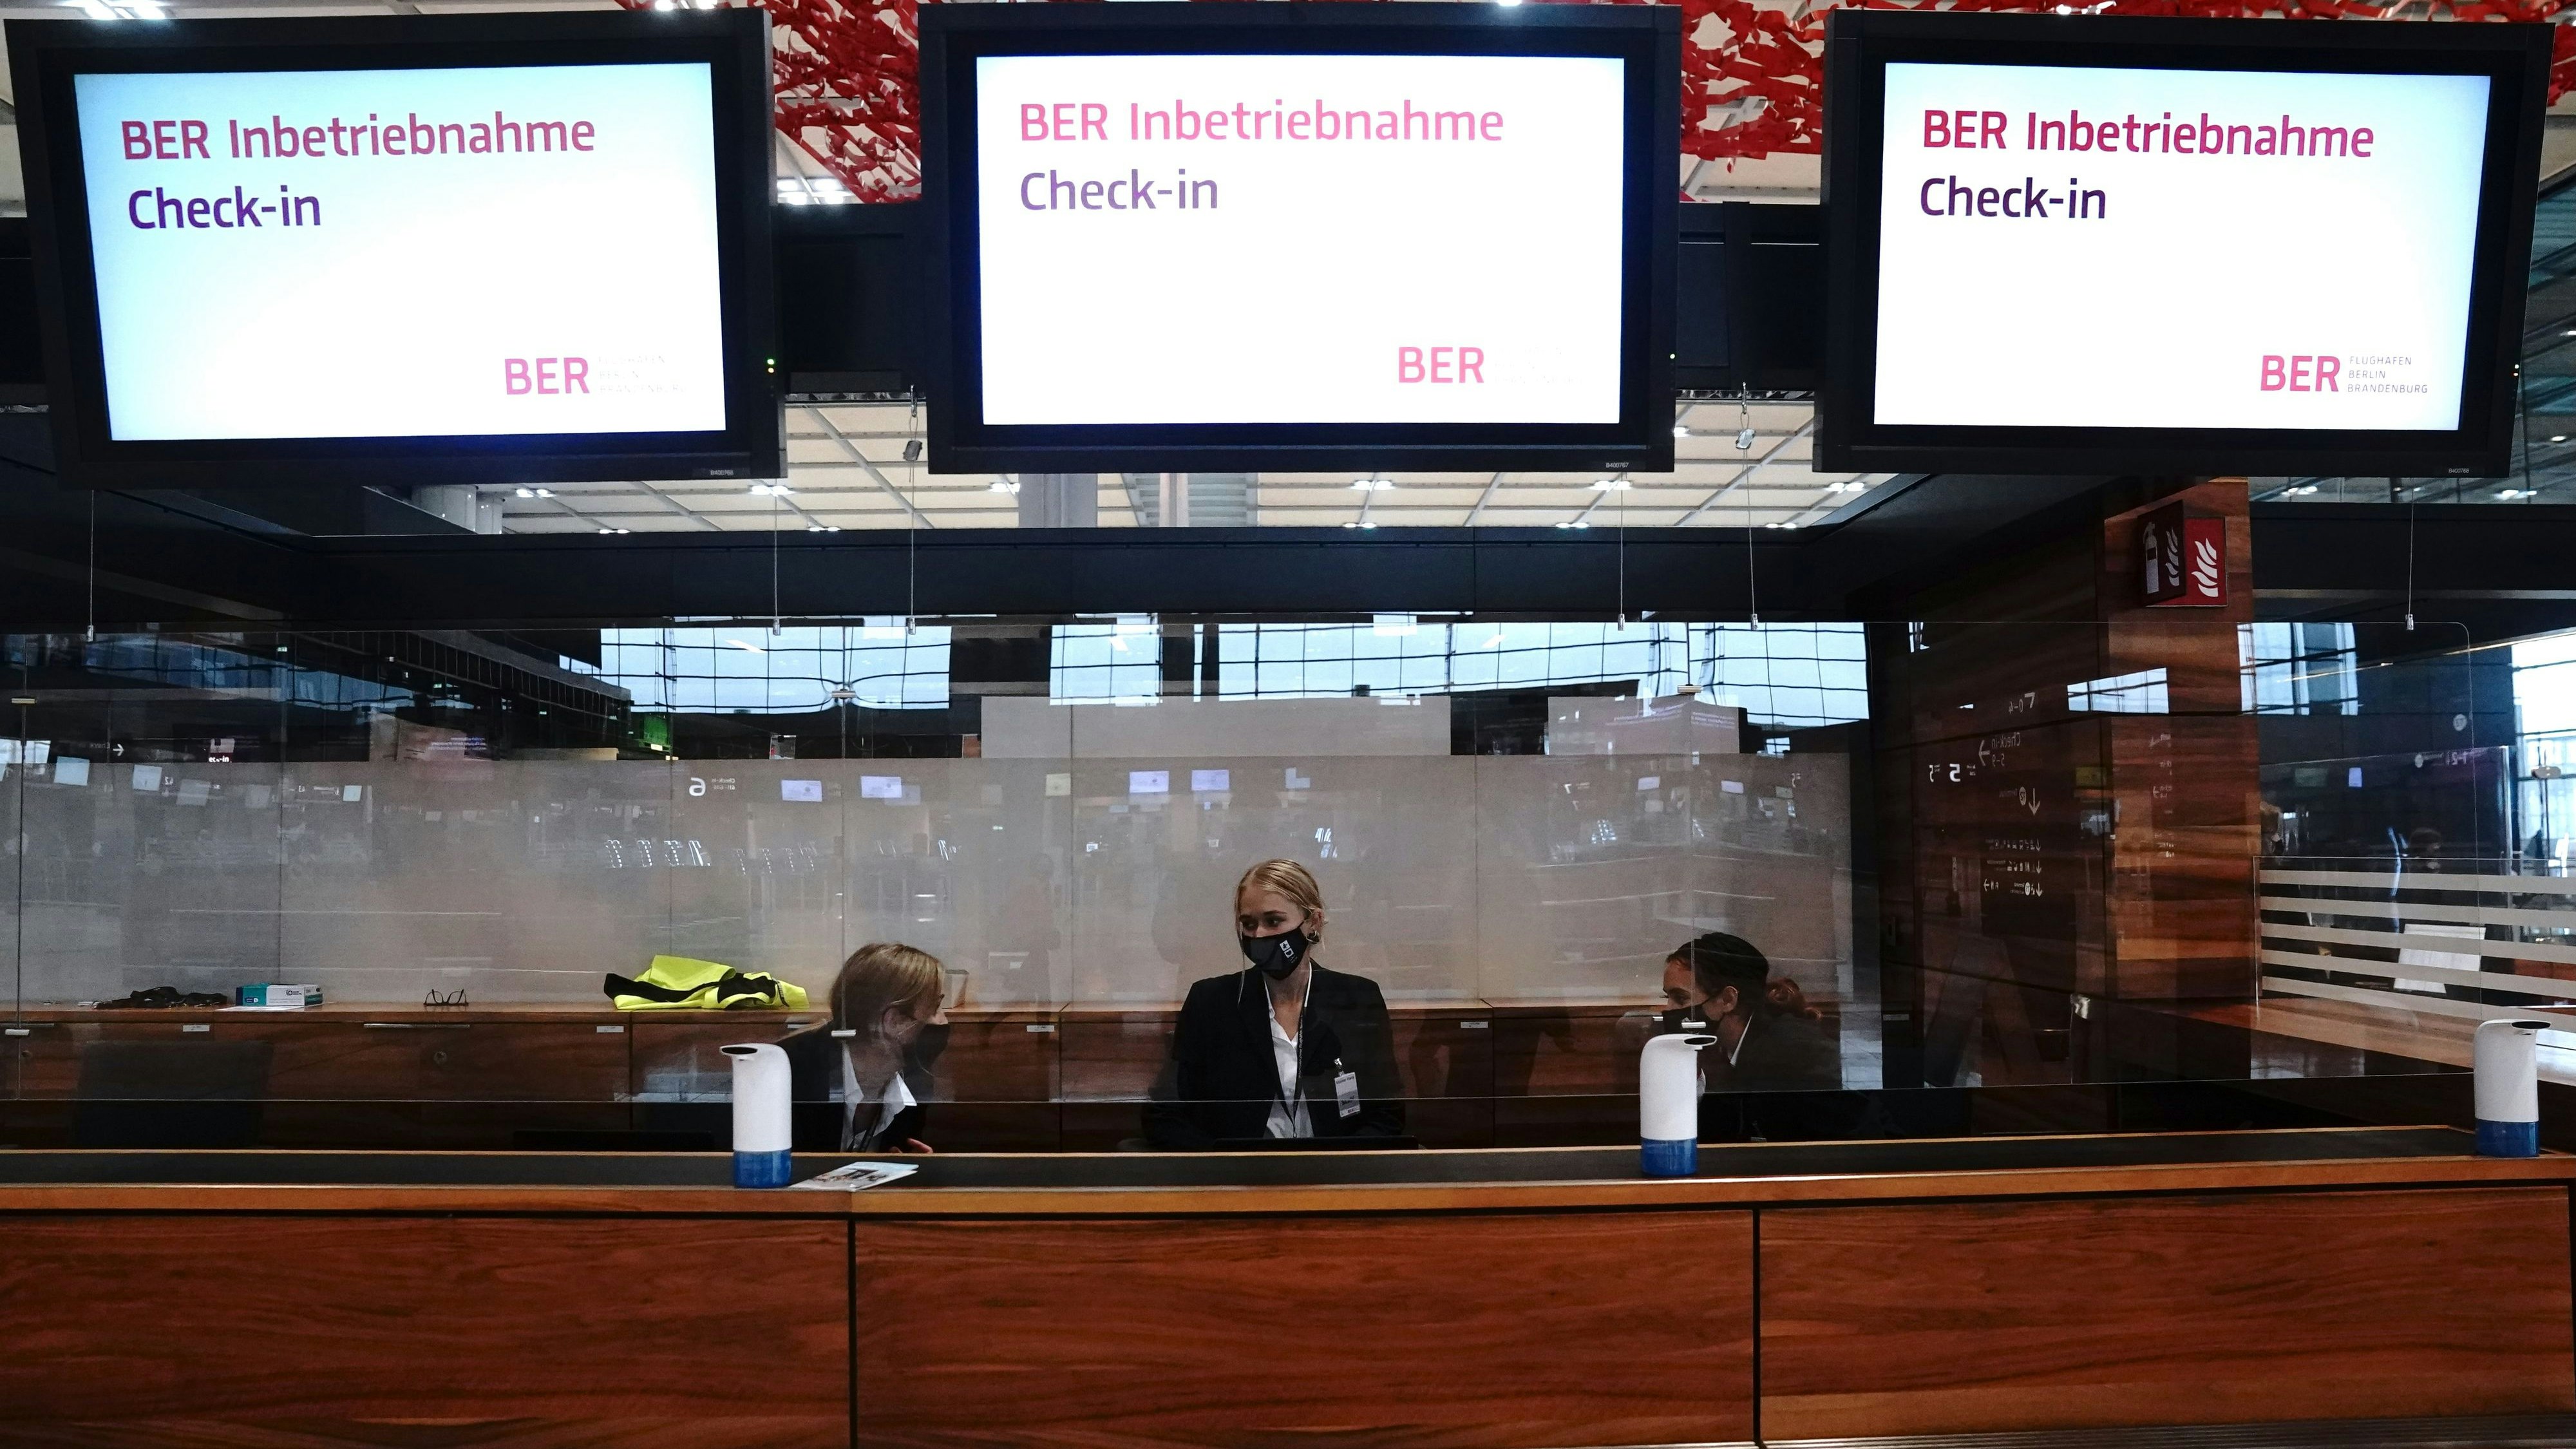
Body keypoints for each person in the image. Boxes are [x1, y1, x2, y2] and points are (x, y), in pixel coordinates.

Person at [1143, 859, 1405, 1148]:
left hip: (1333, 1175)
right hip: (1240, 1176)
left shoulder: (1357, 999)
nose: (1259, 935)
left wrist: (1336, 1168)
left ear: (1313, 922)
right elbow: (1164, 1112)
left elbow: (1387, 1114)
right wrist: (1224, 1165)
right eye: (1248, 924)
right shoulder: (1212, 1003)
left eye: (1273, 921)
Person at [1660, 931, 1845, 1142]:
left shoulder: (1790, 1054)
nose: (1669, 1009)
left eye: (1680, 998)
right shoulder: (1725, 1050)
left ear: (1728, 999)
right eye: (1668, 998)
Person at [785, 942, 951, 1153]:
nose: (944, 1021)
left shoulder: (916, 1081)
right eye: (936, 1008)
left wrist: (909, 1170)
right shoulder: (794, 1076)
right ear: (894, 1022)